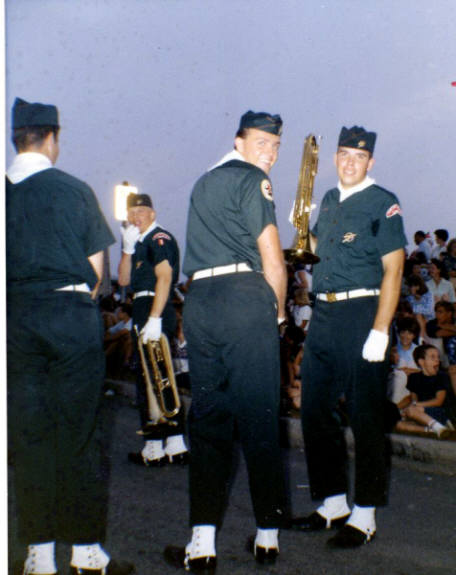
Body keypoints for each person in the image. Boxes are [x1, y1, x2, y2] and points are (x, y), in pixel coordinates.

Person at [6, 98, 133, 574]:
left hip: (16, 318)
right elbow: (98, 275)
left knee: (30, 435)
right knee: (78, 435)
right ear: (52, 139)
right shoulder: (74, 190)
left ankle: (38, 554)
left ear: (16, 139)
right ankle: (85, 552)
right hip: (69, 317)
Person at [163, 110, 288, 571]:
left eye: (275, 146)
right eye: (261, 143)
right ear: (239, 142)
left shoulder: (203, 182)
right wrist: (278, 314)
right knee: (260, 418)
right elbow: (272, 258)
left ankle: (201, 544)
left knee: (208, 421)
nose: (270, 153)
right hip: (244, 298)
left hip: (201, 302)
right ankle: (268, 536)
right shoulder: (254, 180)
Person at [292, 125, 406, 549]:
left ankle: (365, 513)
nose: (350, 162)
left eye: (359, 157)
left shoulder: (382, 202)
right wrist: (302, 226)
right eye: (344, 155)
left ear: (370, 162)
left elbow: (394, 269)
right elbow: (318, 248)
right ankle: (333, 502)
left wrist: (380, 329)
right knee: (315, 411)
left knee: (365, 416)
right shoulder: (329, 199)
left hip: (362, 313)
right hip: (324, 312)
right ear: (335, 158)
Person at [118, 193, 189, 466]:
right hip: (141, 307)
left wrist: (155, 317)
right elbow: (123, 279)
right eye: (131, 213)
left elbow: (165, 277)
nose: (135, 217)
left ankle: (159, 445)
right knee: (154, 377)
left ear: (153, 213)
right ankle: (170, 444)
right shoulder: (138, 243)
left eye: (141, 211)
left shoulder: (159, 238)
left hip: (153, 307)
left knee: (156, 377)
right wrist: (127, 249)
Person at [395, 345, 454, 438]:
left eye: (438, 357)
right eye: (432, 357)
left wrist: (416, 406)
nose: (437, 360)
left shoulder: (441, 377)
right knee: (398, 424)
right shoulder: (414, 378)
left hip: (440, 411)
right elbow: (413, 399)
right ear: (421, 362)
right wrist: (403, 410)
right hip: (420, 413)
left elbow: (438, 401)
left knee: (412, 410)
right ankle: (433, 430)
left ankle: (439, 427)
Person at [387, 317, 421, 406]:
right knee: (400, 374)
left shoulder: (418, 350)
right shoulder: (393, 349)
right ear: (399, 333)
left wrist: (411, 371)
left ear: (414, 335)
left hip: (412, 384)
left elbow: (425, 371)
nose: (405, 336)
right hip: (395, 383)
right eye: (403, 332)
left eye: (409, 333)